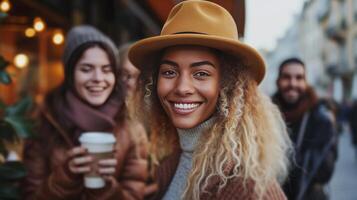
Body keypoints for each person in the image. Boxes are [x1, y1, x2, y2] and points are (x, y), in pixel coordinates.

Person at [129, 1, 292, 199]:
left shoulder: (247, 186)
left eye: (201, 73)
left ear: (227, 85)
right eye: (169, 72)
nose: (182, 88)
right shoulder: (171, 160)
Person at [22, 25, 148, 200]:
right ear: (70, 74)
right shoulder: (44, 122)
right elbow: (30, 195)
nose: (98, 78)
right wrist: (66, 176)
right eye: (86, 69)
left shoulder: (132, 129)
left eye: (106, 69)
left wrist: (105, 187)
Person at [272, 58, 338, 200]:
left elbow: (324, 172)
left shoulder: (321, 119)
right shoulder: (265, 115)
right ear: (278, 80)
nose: (292, 83)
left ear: (306, 82)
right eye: (286, 77)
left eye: (299, 77)